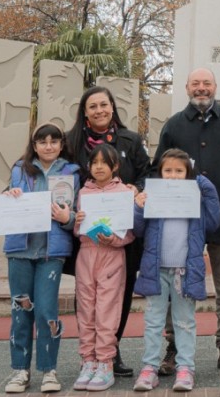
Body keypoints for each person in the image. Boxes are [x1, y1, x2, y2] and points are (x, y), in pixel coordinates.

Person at [152, 67, 220, 375]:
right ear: (186, 88)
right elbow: (159, 166)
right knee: (177, 283)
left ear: (215, 86)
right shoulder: (173, 125)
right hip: (180, 219)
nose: (201, 88)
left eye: (206, 83)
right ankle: (173, 347)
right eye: (195, 83)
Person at [65, 85, 150, 377]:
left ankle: (111, 353)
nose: (99, 110)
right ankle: (90, 356)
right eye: (93, 106)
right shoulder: (71, 141)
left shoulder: (131, 139)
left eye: (104, 104)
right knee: (88, 296)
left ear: (112, 107)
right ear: (85, 112)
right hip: (85, 234)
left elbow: (147, 173)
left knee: (118, 296)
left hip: (121, 234)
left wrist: (135, 188)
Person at [131, 149, 220, 392]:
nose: (173, 175)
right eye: (167, 170)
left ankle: (185, 368)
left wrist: (202, 183)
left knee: (185, 322)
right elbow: (138, 230)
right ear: (160, 173)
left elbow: (213, 223)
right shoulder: (153, 196)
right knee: (152, 321)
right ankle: (149, 368)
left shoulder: (196, 198)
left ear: (187, 173)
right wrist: (138, 207)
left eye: (179, 171)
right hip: (156, 270)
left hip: (185, 271)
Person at [1, 122, 80, 394]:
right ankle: (19, 370)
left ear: (61, 145)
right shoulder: (19, 169)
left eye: (54, 141)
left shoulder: (72, 173)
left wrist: (66, 218)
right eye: (42, 142)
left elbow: (77, 215)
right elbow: (6, 202)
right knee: (21, 312)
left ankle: (49, 370)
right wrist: (9, 195)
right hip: (20, 252)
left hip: (51, 254)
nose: (48, 146)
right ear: (34, 146)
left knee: (47, 311)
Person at [72, 144, 137, 391]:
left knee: (107, 309)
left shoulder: (123, 192)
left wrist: (116, 240)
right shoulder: (83, 192)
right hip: (86, 255)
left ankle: (105, 362)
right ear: (89, 166)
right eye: (94, 162)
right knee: (86, 308)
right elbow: (79, 231)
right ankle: (87, 361)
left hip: (112, 255)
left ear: (115, 166)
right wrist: (77, 223)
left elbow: (129, 232)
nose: (99, 167)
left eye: (104, 162)